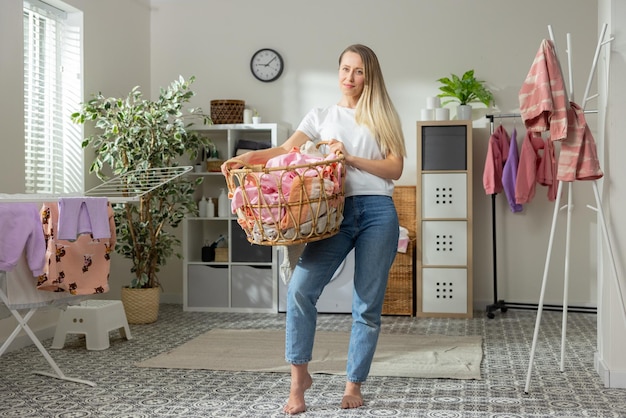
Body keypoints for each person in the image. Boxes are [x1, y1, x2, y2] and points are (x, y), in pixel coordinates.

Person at [225, 44, 406, 414]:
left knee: (367, 306)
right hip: (333, 214)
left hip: (378, 212)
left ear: (369, 75)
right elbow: (283, 151)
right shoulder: (321, 115)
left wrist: (349, 158)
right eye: (344, 69)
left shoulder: (383, 116)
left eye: (357, 71)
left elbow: (395, 169)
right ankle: (298, 381)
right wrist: (249, 157)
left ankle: (353, 384)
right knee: (300, 290)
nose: (349, 78)